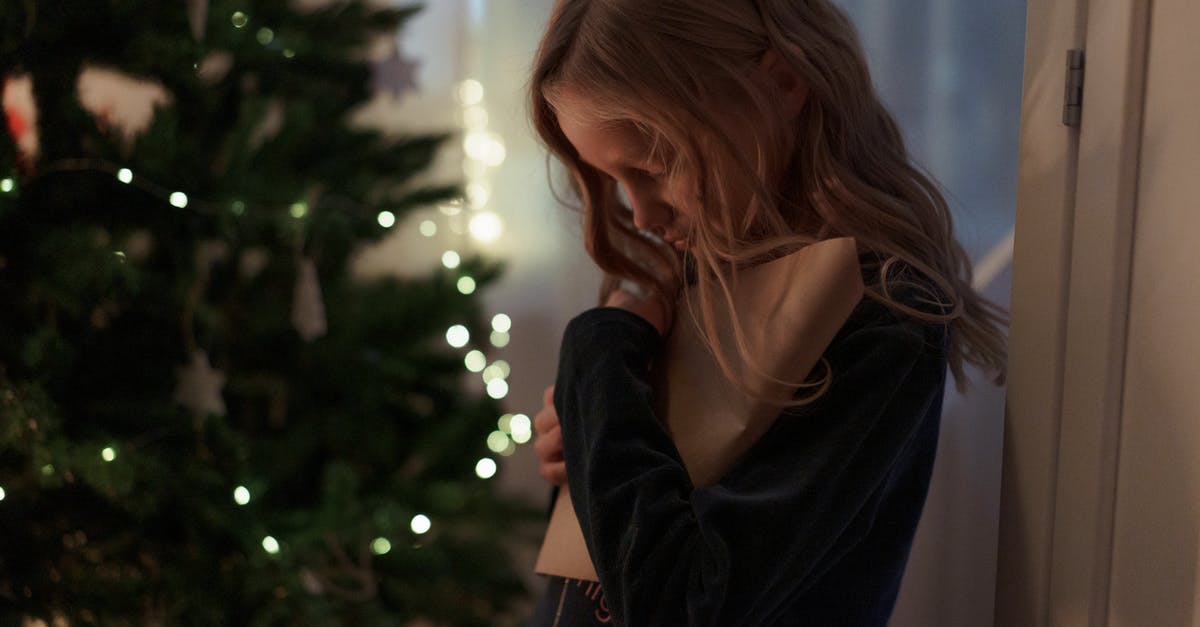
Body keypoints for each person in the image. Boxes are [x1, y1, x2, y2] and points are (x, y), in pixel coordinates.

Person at [525, 1, 1008, 625]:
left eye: (654, 167)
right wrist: (587, 438)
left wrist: (597, 350)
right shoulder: (682, 275)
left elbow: (677, 605)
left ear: (781, 85)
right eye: (612, 179)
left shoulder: (881, 316)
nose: (640, 215)